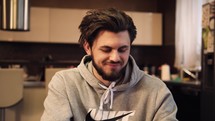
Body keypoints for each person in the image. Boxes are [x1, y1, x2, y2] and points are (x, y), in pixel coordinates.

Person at [41, 8, 178, 121]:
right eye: (106, 49)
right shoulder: (65, 83)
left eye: (122, 49)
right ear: (88, 47)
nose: (115, 58)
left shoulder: (157, 90)